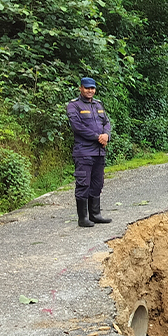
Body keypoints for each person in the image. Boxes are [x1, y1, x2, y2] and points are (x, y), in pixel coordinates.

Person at [65, 77, 112, 227]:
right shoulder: (74, 106)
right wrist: (97, 137)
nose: (90, 91)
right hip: (83, 152)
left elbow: (107, 123)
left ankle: (95, 214)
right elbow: (77, 127)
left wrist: (106, 135)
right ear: (81, 88)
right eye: (87, 88)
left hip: (99, 152)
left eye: (92, 88)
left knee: (97, 183)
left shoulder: (98, 104)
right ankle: (83, 218)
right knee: (83, 183)